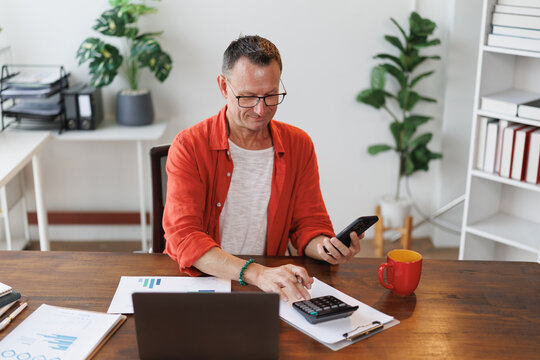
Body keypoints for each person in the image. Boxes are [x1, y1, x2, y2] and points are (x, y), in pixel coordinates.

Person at [163, 35, 363, 302]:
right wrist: (257, 273)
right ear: (224, 86)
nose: (261, 109)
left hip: (271, 282)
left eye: (271, 95)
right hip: (204, 281)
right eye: (247, 97)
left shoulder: (298, 144)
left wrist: (325, 247)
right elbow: (185, 237)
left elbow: (309, 224)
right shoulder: (189, 145)